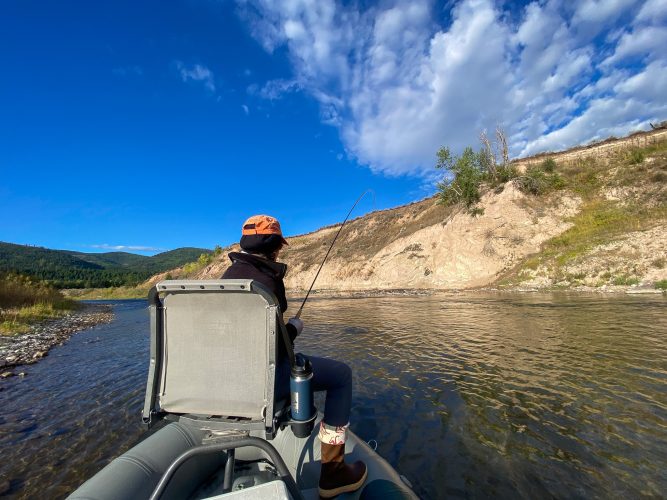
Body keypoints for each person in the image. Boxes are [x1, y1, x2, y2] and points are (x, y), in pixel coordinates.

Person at [222, 214, 367, 498]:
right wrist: (294, 328)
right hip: (261, 379)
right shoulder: (266, 280)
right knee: (341, 376)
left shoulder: (226, 279)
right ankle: (334, 472)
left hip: (226, 380)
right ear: (274, 246)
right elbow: (275, 345)